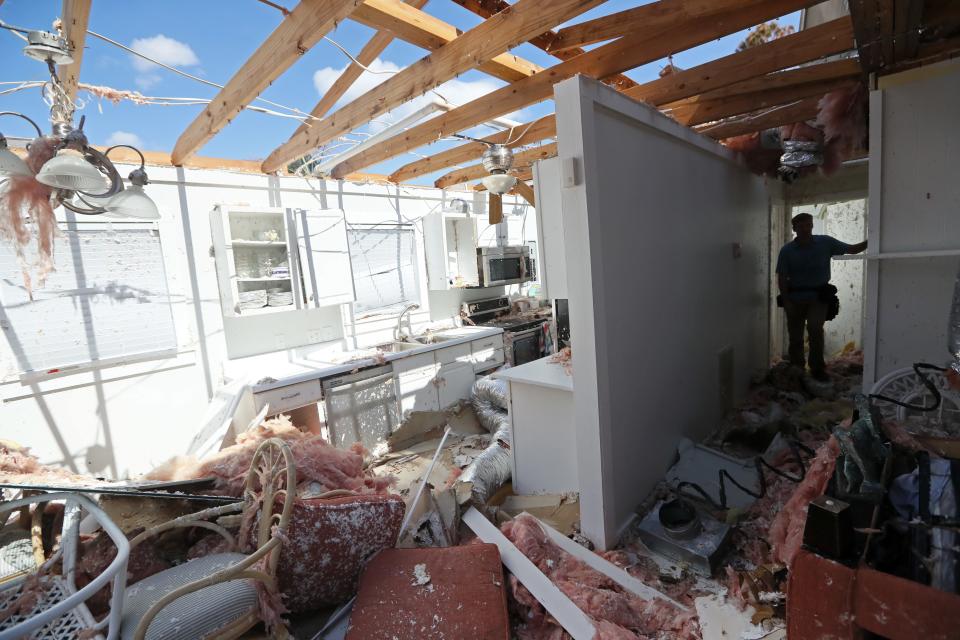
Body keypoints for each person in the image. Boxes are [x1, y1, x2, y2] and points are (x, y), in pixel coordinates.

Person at [776, 212, 867, 381]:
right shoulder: (787, 250)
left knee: (815, 328)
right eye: (800, 226)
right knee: (795, 335)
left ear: (812, 226)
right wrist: (786, 300)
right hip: (794, 297)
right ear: (794, 228)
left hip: (818, 296)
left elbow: (852, 249)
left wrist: (873, 239)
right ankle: (797, 368)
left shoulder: (825, 242)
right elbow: (781, 277)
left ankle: (817, 368)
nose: (805, 229)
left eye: (808, 225)